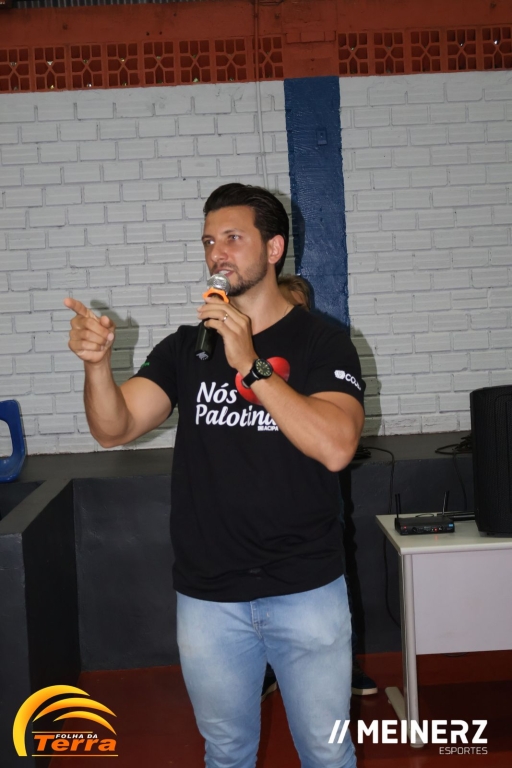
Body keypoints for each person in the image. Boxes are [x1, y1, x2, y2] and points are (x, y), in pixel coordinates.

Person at [65, 183, 365, 768]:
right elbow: (114, 428)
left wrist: (250, 364)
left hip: (305, 587)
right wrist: (97, 367)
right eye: (208, 241)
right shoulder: (186, 348)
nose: (217, 253)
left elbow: (335, 448)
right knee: (226, 753)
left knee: (327, 754)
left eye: (232, 238)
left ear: (274, 248)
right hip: (209, 597)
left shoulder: (322, 342)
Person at [269, 274, 378, 699]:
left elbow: (333, 431)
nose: (296, 315)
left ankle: (343, 663)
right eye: (288, 305)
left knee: (335, 575)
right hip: (263, 500)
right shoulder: (255, 358)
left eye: (302, 308)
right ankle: (267, 669)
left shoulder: (321, 354)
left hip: (313, 498)